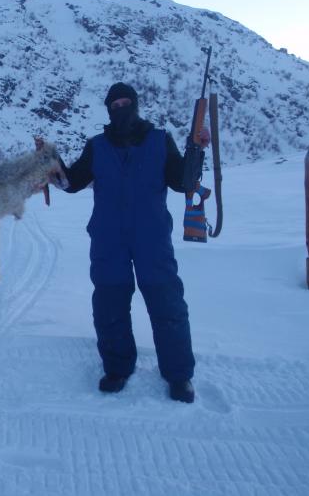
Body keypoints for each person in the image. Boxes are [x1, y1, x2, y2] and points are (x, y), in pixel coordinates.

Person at [61, 82, 210, 403]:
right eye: (115, 105)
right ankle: (117, 368)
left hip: (151, 237)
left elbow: (180, 181)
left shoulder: (160, 140)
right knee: (109, 303)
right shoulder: (97, 146)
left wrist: (196, 151)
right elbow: (71, 182)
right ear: (108, 110)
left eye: (126, 102)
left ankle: (179, 375)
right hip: (108, 237)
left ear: (136, 105)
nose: (121, 108)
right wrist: (49, 161)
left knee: (167, 303)